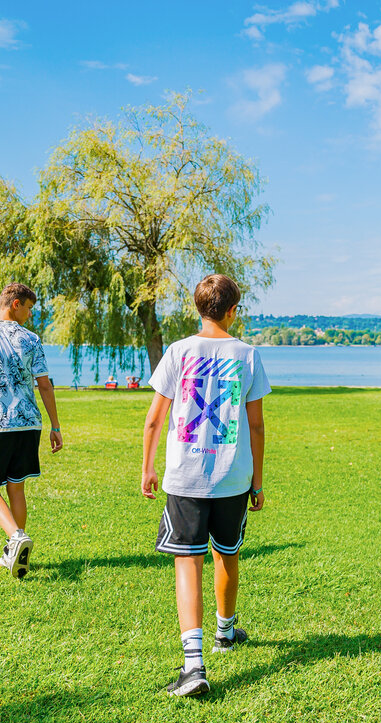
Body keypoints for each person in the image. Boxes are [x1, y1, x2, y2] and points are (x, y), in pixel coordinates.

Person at [141, 273, 270, 697]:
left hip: (185, 477)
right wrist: (257, 481)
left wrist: (147, 468)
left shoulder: (178, 352)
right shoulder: (248, 355)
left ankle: (193, 665)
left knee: (188, 562)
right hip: (233, 479)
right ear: (233, 311)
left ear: (198, 308)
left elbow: (155, 419)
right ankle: (225, 632)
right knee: (226, 554)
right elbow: (256, 426)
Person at [0, 282, 63, 577]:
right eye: (29, 308)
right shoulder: (31, 340)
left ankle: (16, 538)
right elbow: (44, 384)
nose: (30, 315)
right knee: (16, 486)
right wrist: (55, 425)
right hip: (28, 423)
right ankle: (12, 551)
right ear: (15, 304)